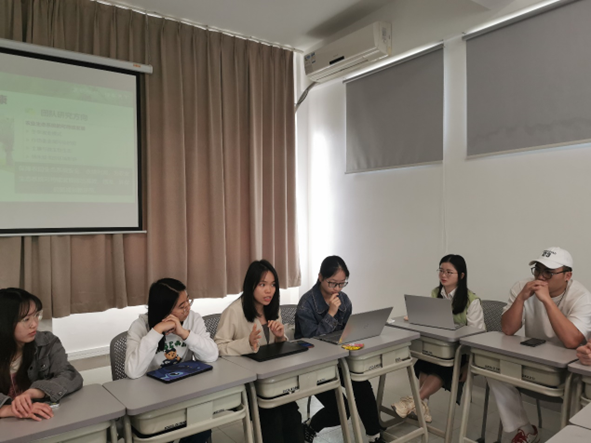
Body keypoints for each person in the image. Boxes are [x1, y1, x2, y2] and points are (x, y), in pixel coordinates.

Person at [488, 247, 591, 443]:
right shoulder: (522, 287)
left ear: (567, 275)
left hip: (569, 369)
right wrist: (521, 298)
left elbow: (572, 341)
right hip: (535, 359)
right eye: (538, 270)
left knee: (580, 390)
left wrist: (547, 301)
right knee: (494, 369)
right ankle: (526, 429)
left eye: (549, 272)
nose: (541, 277)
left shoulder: (581, 296)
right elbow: (508, 329)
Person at [295, 255, 386, 443]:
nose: (337, 288)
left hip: (338, 360)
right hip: (312, 365)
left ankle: (374, 436)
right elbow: (312, 340)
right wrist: (330, 313)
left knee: (361, 384)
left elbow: (346, 334)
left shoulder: (344, 300)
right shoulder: (307, 303)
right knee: (341, 410)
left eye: (342, 284)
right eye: (332, 283)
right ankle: (310, 426)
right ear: (320, 277)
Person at [215, 259, 303, 443]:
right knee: (273, 419)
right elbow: (218, 347)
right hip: (247, 383)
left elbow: (275, 349)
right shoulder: (233, 311)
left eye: (273, 285)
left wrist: (280, 337)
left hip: (272, 380)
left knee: (293, 417)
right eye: (263, 285)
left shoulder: (272, 309)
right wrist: (246, 343)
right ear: (251, 285)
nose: (269, 290)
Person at [392, 254, 485, 422]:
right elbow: (432, 321)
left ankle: (413, 401)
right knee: (424, 362)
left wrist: (467, 364)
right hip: (440, 347)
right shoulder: (436, 293)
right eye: (441, 270)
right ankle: (422, 406)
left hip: (462, 352)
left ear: (461, 275)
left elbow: (477, 337)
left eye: (449, 272)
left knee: (442, 366)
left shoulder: (472, 301)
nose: (443, 275)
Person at [125, 278, 218, 443]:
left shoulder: (193, 319)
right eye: (181, 306)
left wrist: (184, 334)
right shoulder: (139, 327)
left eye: (188, 301)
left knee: (200, 428)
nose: (188, 308)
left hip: (186, 395)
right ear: (164, 310)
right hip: (152, 400)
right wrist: (156, 331)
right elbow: (132, 371)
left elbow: (211, 355)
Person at [0, 287, 83, 421]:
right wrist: (10, 409)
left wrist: (35, 392)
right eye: (26, 319)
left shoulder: (47, 342)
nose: (34, 324)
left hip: (39, 421)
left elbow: (70, 376)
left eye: (36, 315)